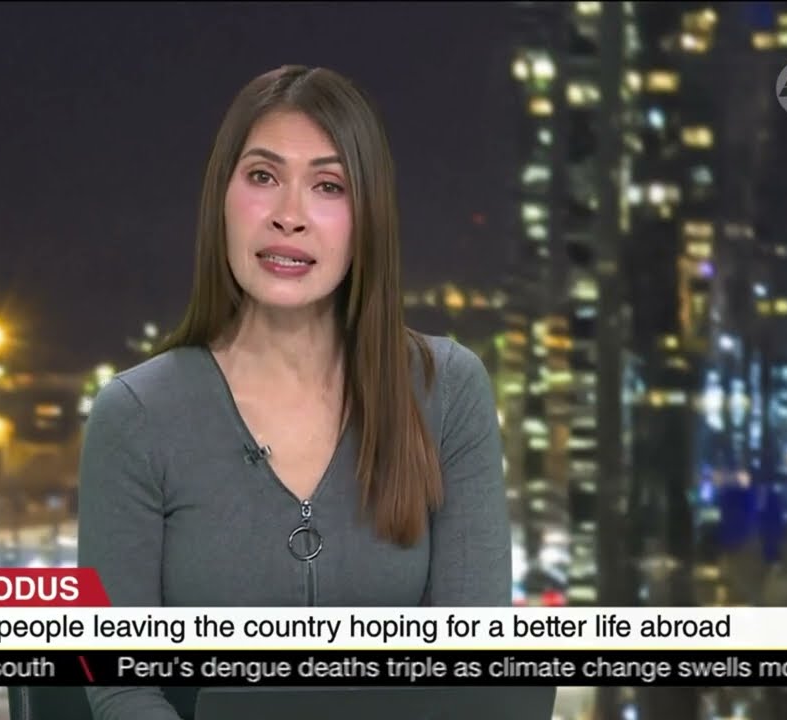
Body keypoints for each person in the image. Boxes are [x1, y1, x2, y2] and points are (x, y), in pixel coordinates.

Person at [77, 65, 511, 720]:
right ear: (222, 199)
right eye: (262, 177)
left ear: (368, 220)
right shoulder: (137, 416)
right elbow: (122, 686)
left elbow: (474, 670)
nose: (289, 217)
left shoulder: (445, 390)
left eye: (328, 186)